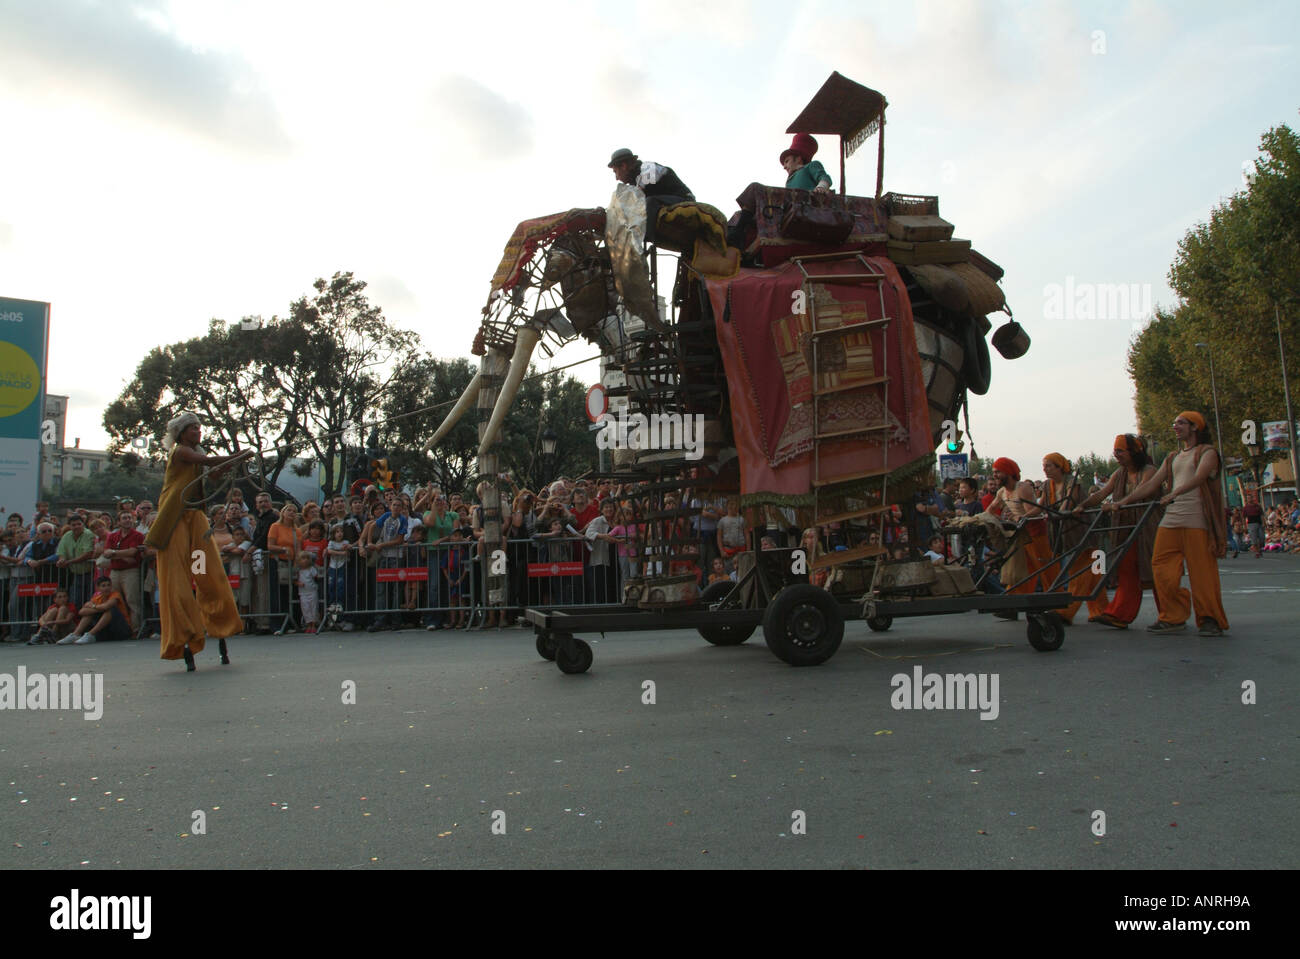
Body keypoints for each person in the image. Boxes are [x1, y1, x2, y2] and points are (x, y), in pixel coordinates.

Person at [143, 412, 250, 670]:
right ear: (180, 433)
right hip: (175, 520)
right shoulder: (181, 451)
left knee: (205, 572)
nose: (197, 432)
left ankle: (220, 626)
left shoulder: (196, 452)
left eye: (199, 428)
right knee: (177, 581)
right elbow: (208, 461)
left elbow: (213, 472)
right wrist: (237, 455)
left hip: (195, 518)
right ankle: (185, 637)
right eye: (192, 428)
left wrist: (233, 463)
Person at [1107, 411, 1228, 636]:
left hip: (1197, 519)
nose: (1176, 426)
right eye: (1175, 422)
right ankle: (1173, 617)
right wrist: (1123, 501)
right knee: (1160, 568)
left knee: (1202, 574)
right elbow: (1151, 485)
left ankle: (1210, 619)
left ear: (1195, 427)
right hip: (1171, 519)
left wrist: (1174, 493)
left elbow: (1200, 477)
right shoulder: (1172, 457)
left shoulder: (1208, 452)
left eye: (1181, 423)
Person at [1077, 434, 1162, 629]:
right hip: (1126, 530)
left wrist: (1120, 503)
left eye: (1120, 451)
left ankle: (1170, 615)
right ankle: (1119, 614)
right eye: (1115, 451)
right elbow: (1102, 493)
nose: (1116, 455)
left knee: (1157, 573)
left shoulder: (1150, 471)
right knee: (1126, 571)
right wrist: (1082, 506)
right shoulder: (1119, 473)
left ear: (1134, 452)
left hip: (1149, 528)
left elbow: (1143, 490)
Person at [56, 576, 135, 645]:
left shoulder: (115, 594)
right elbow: (81, 611)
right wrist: (97, 608)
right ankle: (76, 634)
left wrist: (93, 606)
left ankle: (90, 634)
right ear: (98, 588)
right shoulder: (97, 598)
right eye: (103, 586)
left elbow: (106, 606)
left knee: (110, 609)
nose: (106, 588)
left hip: (121, 630)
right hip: (106, 631)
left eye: (108, 585)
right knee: (89, 612)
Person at [295, 552, 322, 634]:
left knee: (313, 607)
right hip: (303, 593)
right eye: (303, 558)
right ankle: (308, 625)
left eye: (307, 558)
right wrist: (298, 583)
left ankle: (314, 625)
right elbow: (294, 580)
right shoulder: (298, 570)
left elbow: (317, 576)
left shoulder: (311, 569)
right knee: (305, 608)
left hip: (312, 591)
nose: (305, 560)